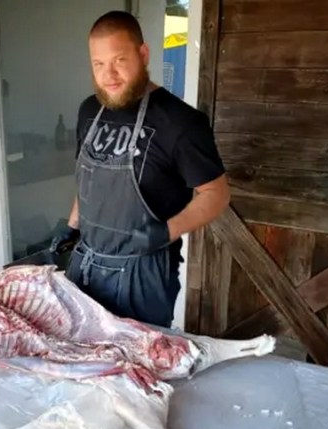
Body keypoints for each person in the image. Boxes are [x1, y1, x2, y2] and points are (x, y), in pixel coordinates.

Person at [50, 10, 229, 328]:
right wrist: (72, 224)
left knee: (135, 368)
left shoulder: (181, 122)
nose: (109, 74)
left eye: (119, 60)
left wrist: (167, 231)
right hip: (85, 262)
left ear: (143, 54)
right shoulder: (89, 111)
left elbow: (216, 194)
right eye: (99, 64)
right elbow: (90, 177)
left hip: (142, 275)